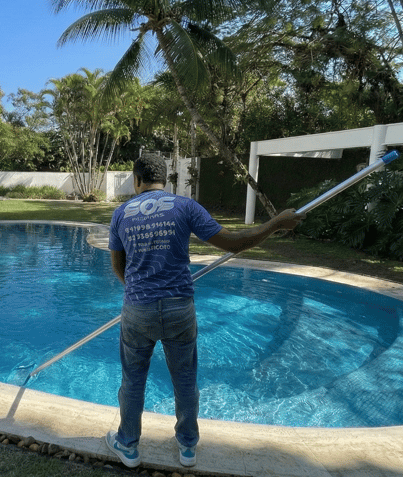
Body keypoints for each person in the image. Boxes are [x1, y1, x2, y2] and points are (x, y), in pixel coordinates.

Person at [105, 153, 304, 469]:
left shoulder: (120, 215)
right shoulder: (185, 207)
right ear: (167, 180)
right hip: (179, 308)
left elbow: (119, 267)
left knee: (132, 380)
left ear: (136, 180)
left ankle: (127, 445)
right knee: (185, 379)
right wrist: (276, 224)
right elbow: (235, 243)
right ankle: (187, 447)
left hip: (138, 309)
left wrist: (137, 291)